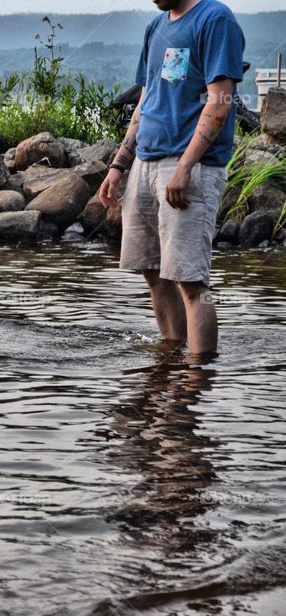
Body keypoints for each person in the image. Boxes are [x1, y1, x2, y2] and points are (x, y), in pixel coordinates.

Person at [98, 0, 245, 357]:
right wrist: (119, 164)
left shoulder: (215, 19)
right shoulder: (156, 27)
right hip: (145, 163)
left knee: (192, 281)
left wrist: (184, 168)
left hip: (189, 166)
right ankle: (170, 361)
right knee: (153, 272)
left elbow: (220, 101)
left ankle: (197, 378)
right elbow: (146, 100)